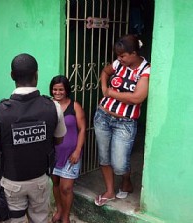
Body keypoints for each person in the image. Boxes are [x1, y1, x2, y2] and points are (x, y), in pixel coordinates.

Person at [0, 53, 67, 223]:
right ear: (36, 75)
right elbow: (59, 140)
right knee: (40, 219)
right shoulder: (53, 107)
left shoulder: (1, 110)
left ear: (12, 76)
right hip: (40, 178)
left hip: (12, 182)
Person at [94, 34, 150, 206]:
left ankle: (126, 179)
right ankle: (110, 191)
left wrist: (111, 93)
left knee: (119, 164)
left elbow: (137, 97)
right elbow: (106, 71)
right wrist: (104, 87)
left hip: (124, 123)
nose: (119, 59)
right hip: (103, 116)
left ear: (134, 53)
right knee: (104, 158)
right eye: (118, 55)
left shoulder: (145, 70)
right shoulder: (118, 64)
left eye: (122, 55)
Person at [49, 75, 86, 223]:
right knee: (56, 183)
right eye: (54, 89)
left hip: (71, 154)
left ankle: (66, 216)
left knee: (67, 188)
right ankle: (59, 210)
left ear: (66, 90)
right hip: (53, 154)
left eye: (61, 89)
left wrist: (78, 151)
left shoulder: (75, 106)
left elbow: (82, 129)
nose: (57, 93)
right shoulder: (48, 105)